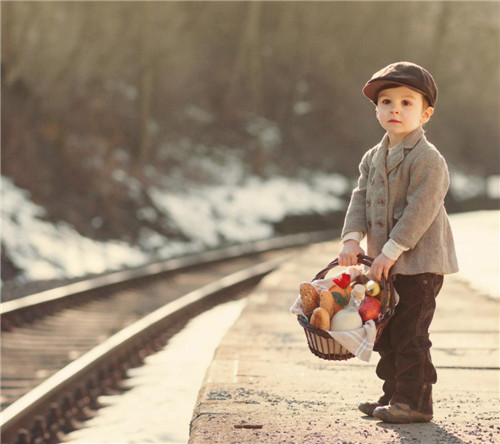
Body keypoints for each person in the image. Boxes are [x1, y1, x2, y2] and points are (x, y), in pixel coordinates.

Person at [338, 61, 459, 423]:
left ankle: (417, 402)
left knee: (411, 332)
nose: (395, 109)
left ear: (426, 114)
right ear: (376, 110)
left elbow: (420, 212)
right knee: (385, 333)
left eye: (407, 102)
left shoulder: (428, 160)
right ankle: (393, 395)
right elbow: (360, 198)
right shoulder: (373, 157)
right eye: (386, 101)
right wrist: (351, 239)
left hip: (419, 263)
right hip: (383, 264)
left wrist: (390, 249)